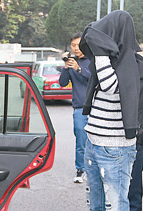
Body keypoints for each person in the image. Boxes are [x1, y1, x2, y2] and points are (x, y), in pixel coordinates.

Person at [79, 10, 141, 211]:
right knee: (96, 208)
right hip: (93, 142)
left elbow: (110, 86)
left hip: (114, 148)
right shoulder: (106, 59)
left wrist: (101, 53)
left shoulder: (132, 63)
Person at [59, 32, 91, 183]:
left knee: (96, 142)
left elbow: (93, 79)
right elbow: (63, 83)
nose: (76, 48)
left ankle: (94, 169)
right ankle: (80, 170)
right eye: (73, 46)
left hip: (96, 109)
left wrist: (79, 69)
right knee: (80, 141)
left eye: (79, 45)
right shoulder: (71, 63)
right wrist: (66, 67)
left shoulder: (92, 61)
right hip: (79, 109)